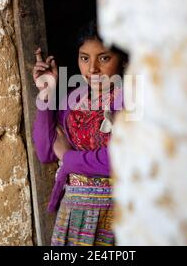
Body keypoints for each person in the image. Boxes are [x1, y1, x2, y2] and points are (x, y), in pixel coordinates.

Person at [32, 20, 128, 246]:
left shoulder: (130, 101)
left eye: (104, 58)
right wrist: (46, 94)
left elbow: (121, 160)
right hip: (74, 216)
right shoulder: (74, 100)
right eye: (84, 58)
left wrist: (68, 158)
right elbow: (46, 151)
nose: (92, 69)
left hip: (117, 214)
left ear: (123, 61)